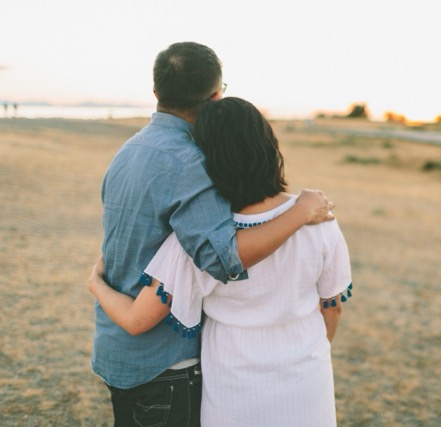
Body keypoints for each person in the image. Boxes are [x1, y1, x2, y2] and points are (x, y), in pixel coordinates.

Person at [93, 42, 335, 427]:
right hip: (165, 360)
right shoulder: (189, 162)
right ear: (216, 95)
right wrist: (301, 211)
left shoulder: (129, 149)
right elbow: (222, 259)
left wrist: (97, 284)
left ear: (156, 92)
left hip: (116, 345)